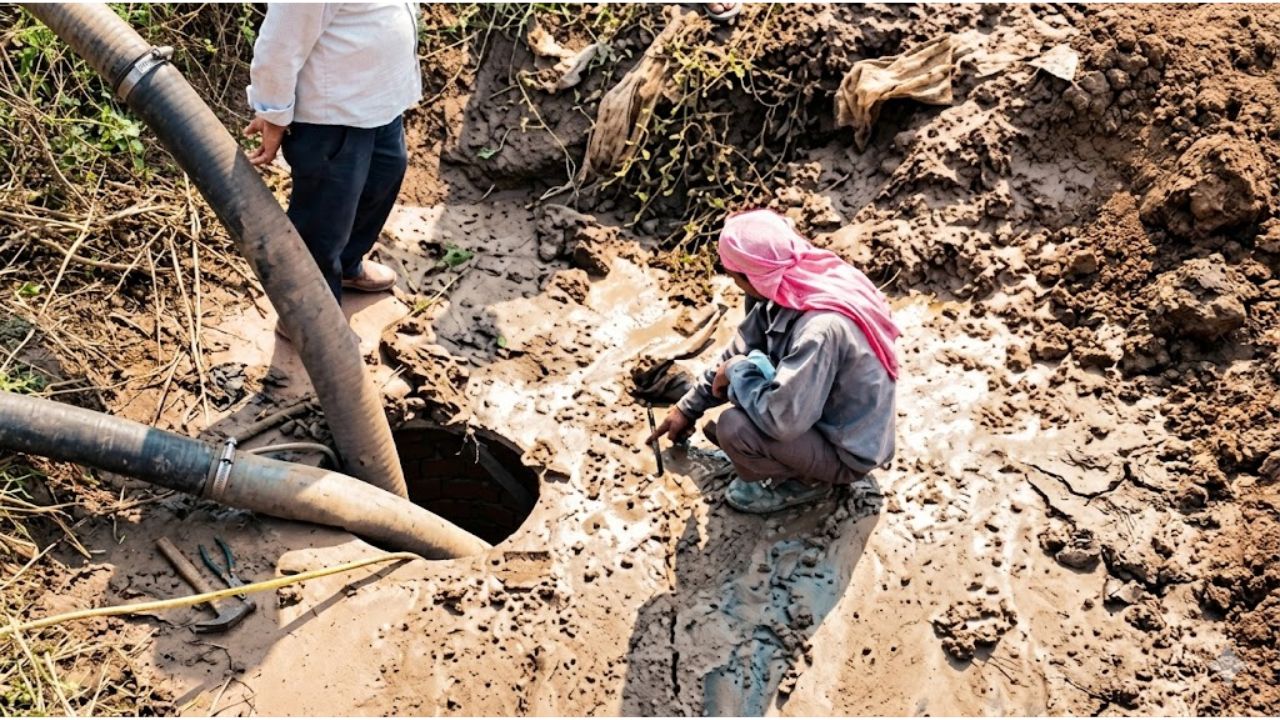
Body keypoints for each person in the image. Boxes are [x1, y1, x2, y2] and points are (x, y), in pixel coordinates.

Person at [647, 209, 900, 514]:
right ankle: (789, 459)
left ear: (750, 277)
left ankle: (805, 482)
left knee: (734, 428)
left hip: (846, 451)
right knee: (743, 389)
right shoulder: (790, 282)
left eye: (734, 276)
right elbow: (741, 347)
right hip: (819, 408)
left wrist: (737, 372)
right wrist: (688, 408)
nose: (733, 282)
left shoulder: (820, 329)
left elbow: (781, 421)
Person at [243, 3, 421, 314]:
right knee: (322, 223)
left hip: (383, 105)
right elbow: (280, 43)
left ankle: (347, 266)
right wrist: (273, 114)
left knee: (380, 185)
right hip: (332, 120)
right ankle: (309, 316)